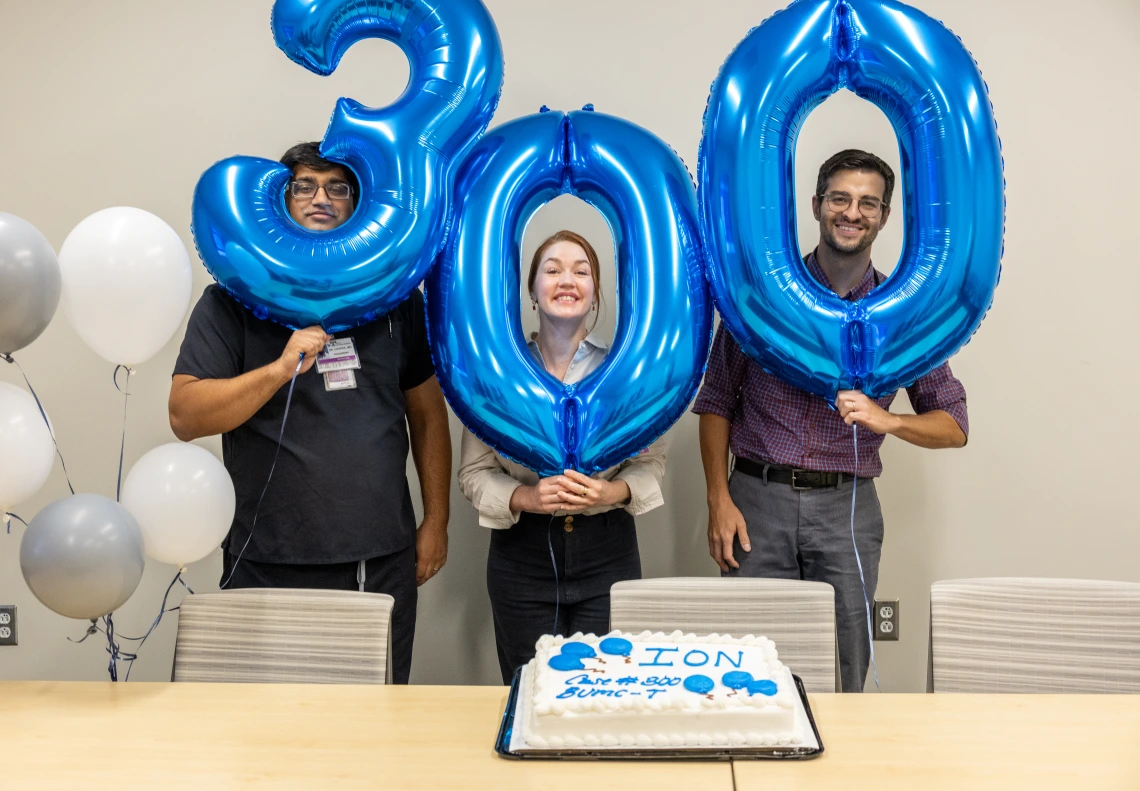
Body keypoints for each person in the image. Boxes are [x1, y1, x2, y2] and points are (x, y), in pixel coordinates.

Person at [169, 142, 452, 684]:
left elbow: (426, 413)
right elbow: (186, 415)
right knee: (268, 735)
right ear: (279, 202)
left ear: (357, 204)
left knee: (376, 723)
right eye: (304, 186)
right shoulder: (229, 300)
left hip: (377, 558)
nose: (320, 198)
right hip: (266, 557)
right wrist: (278, 369)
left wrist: (435, 521)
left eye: (337, 187)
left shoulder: (398, 298)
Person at [693, 150, 968, 692]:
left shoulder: (902, 313)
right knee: (749, 662)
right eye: (840, 199)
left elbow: (954, 424)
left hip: (848, 507)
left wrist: (888, 421)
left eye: (869, 203)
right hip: (756, 502)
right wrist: (718, 500)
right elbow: (716, 399)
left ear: (885, 216)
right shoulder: (763, 298)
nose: (852, 212)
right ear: (817, 206)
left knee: (844, 665)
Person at [458, 230, 668, 684]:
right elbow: (474, 473)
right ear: (532, 291)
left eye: (581, 270)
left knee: (604, 691)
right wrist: (526, 498)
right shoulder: (497, 375)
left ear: (595, 294)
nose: (566, 280)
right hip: (521, 559)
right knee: (529, 690)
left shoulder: (626, 373)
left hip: (607, 554)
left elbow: (652, 464)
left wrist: (610, 491)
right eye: (551, 270)